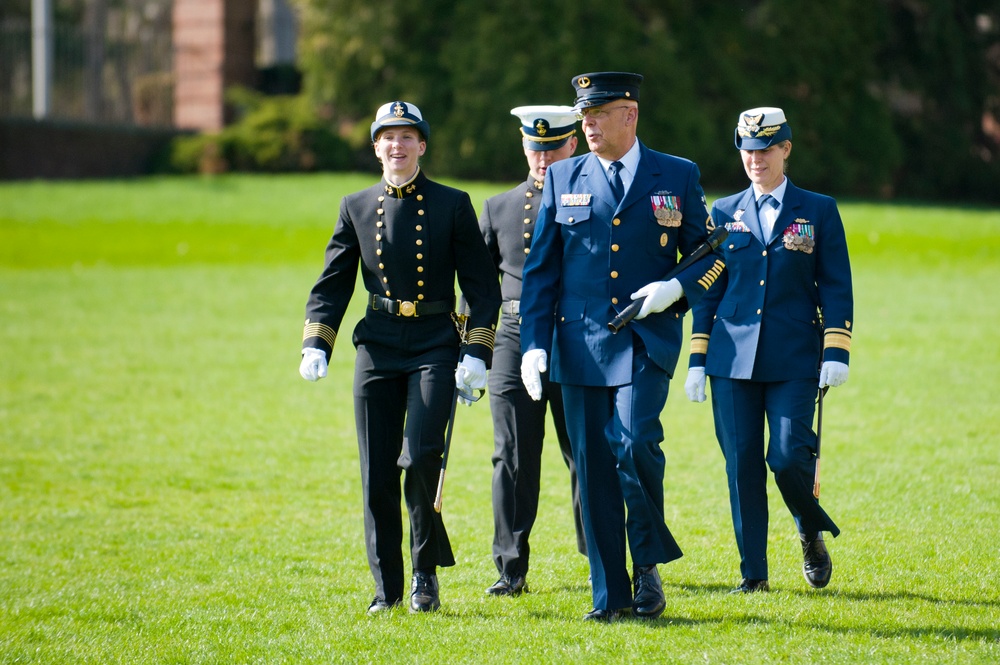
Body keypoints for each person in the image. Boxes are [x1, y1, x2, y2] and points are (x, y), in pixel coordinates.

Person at [518, 72, 722, 622]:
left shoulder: (676, 175)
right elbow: (540, 271)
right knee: (593, 467)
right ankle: (609, 600)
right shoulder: (563, 177)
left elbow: (713, 255)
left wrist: (673, 289)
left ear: (629, 116)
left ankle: (647, 563)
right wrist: (533, 345)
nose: (587, 124)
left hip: (643, 339)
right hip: (577, 345)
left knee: (633, 446)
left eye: (598, 114)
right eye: (584, 115)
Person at [299, 100, 501, 615]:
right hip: (379, 345)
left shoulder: (453, 204)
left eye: (407, 136)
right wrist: (316, 341)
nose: (397, 145)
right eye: (387, 137)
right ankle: (386, 589)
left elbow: (481, 289)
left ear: (422, 146)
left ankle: (425, 576)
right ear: (375, 147)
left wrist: (477, 350)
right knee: (377, 473)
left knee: (421, 458)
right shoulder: (356, 206)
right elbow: (333, 284)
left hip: (435, 342)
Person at [683, 107, 853, 594]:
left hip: (795, 356)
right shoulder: (722, 212)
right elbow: (708, 289)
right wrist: (697, 358)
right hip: (730, 358)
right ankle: (753, 574)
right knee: (741, 466)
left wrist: (836, 348)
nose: (755, 159)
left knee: (785, 458)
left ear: (786, 149)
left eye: (765, 150)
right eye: (747, 150)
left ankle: (809, 527)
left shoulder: (818, 209)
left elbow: (836, 284)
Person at [479, 105, 588, 598]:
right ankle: (511, 566)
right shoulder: (499, 207)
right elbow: (479, 287)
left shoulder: (592, 199)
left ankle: (599, 557)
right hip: (514, 336)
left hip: (575, 338)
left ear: (574, 145)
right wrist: (470, 352)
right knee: (512, 453)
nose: (543, 157)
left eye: (554, 147)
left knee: (586, 452)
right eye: (535, 147)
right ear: (524, 148)